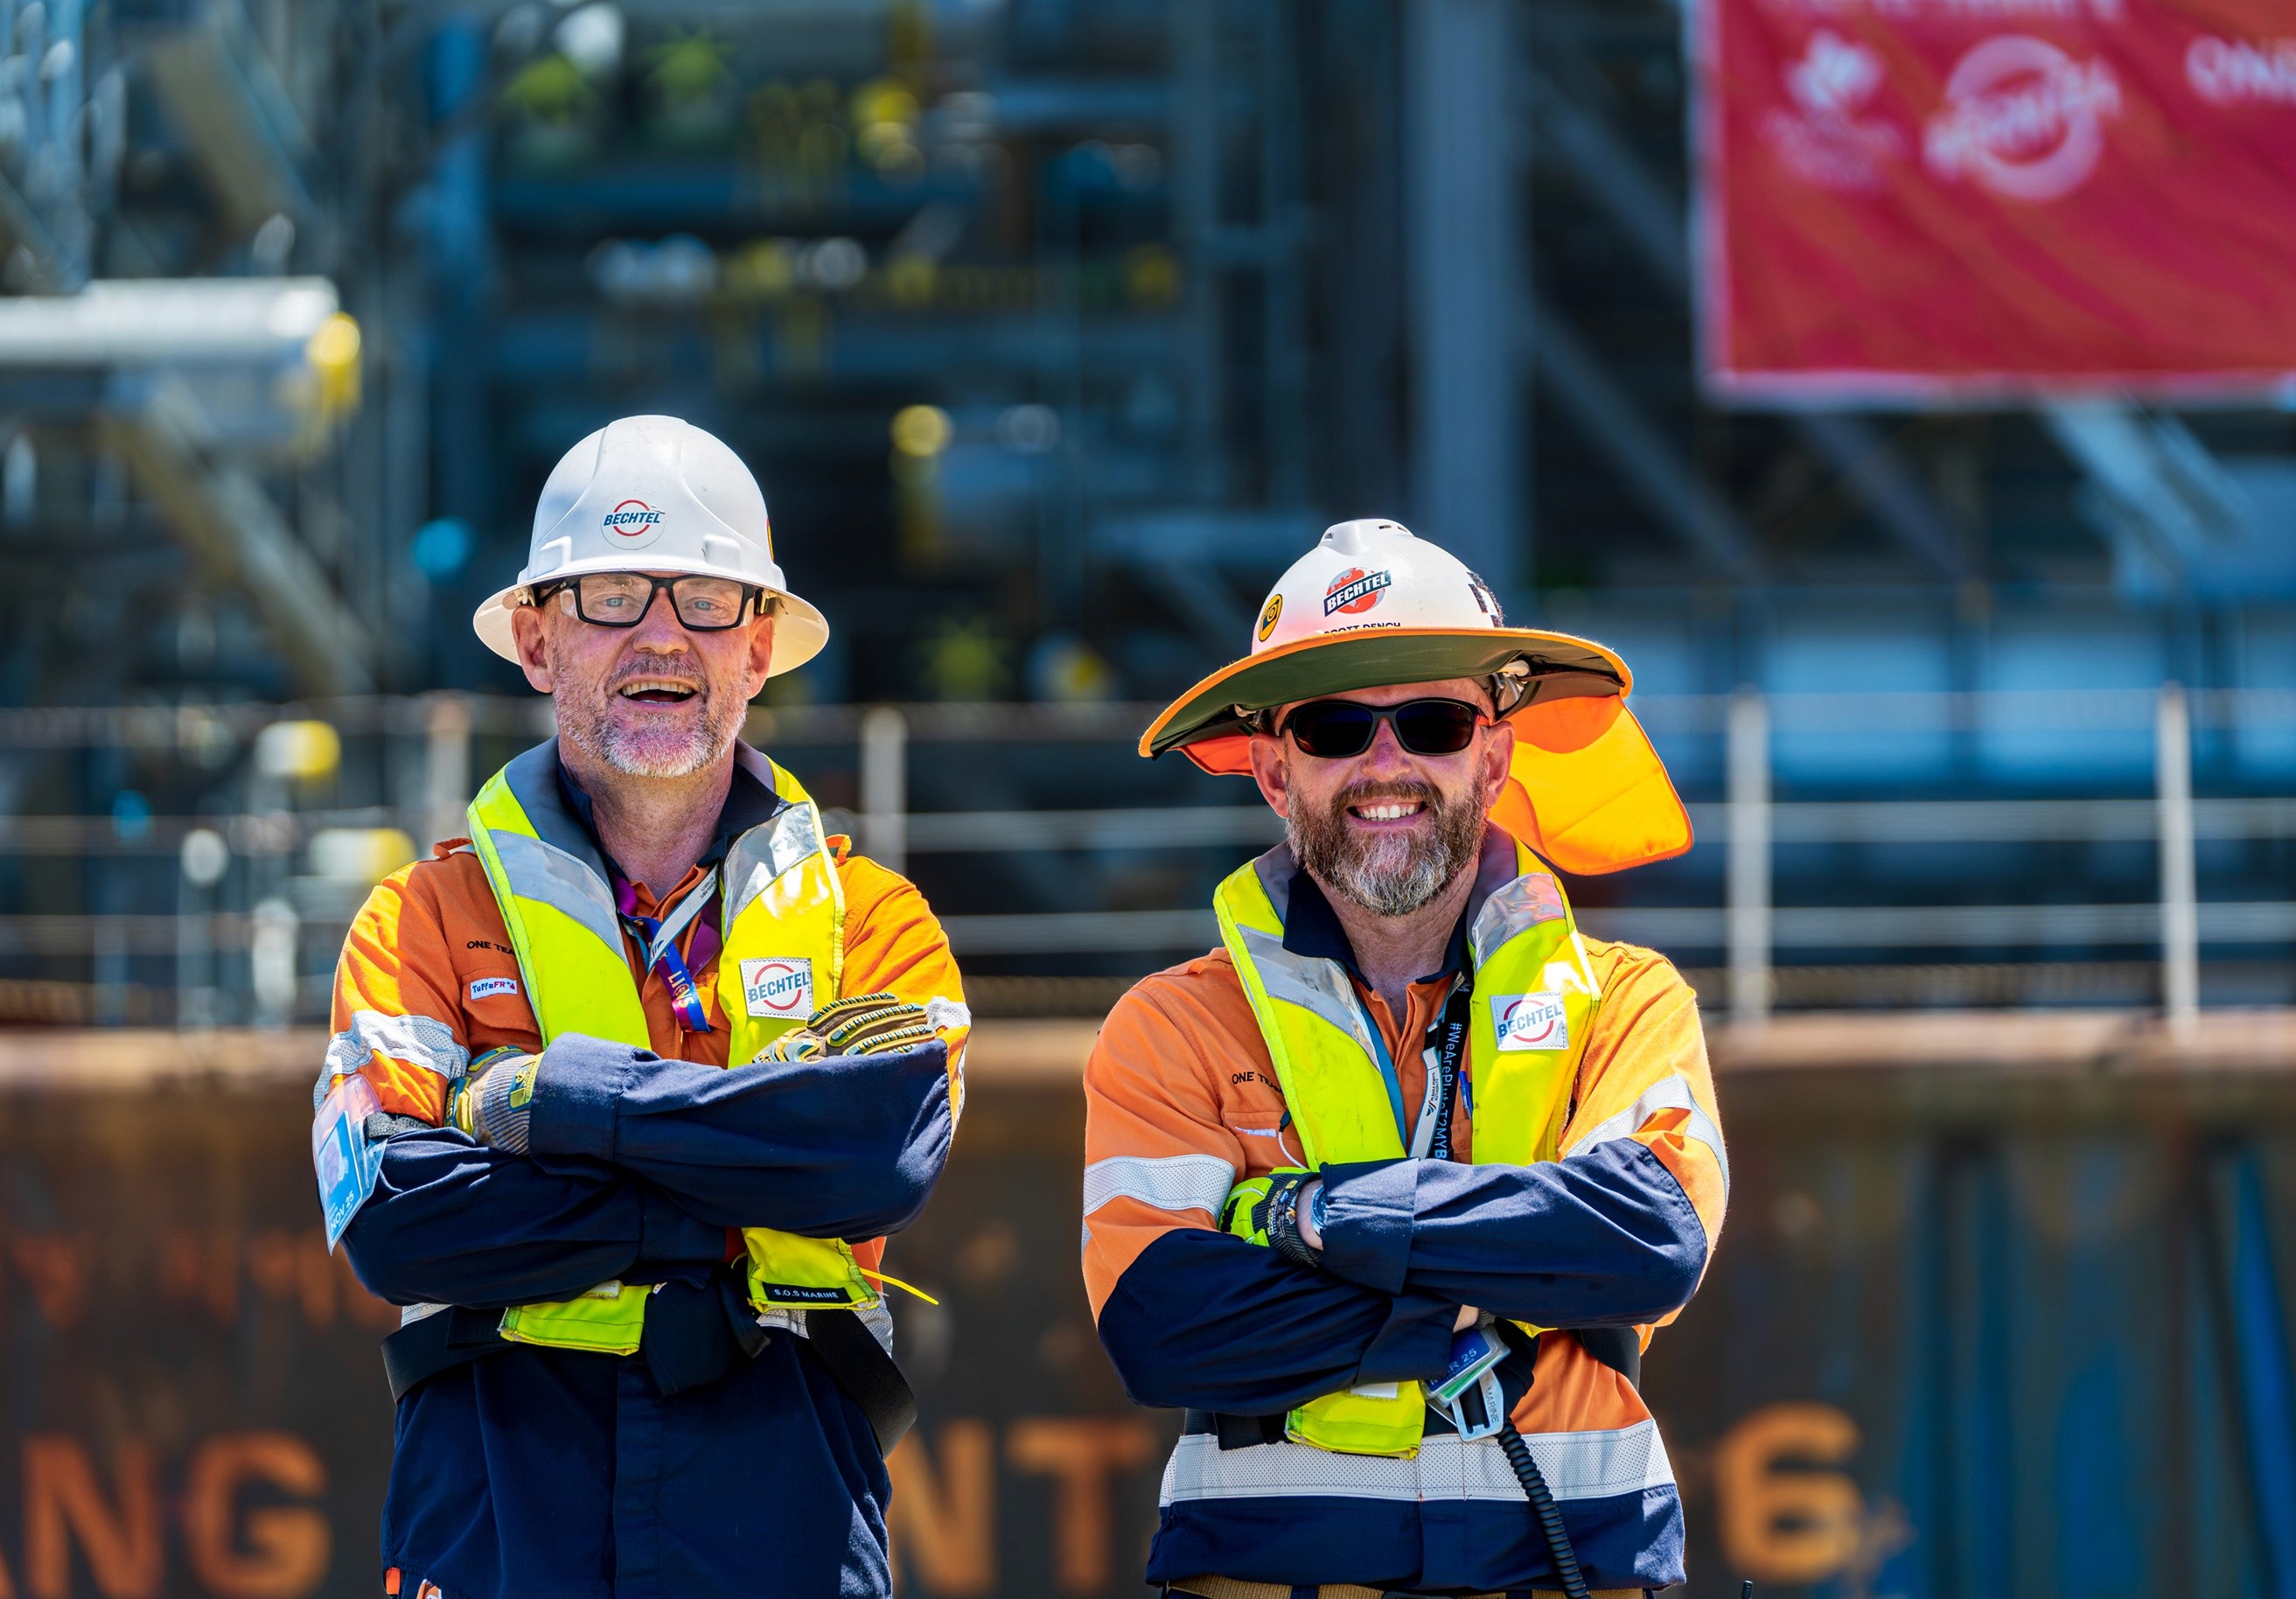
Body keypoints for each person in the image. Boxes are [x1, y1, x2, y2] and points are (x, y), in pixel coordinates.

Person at [312, 415, 966, 1598]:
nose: (662, 635)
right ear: (534, 639)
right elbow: (396, 1215)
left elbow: (873, 1163)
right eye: (611, 594)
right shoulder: (416, 921)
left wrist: (553, 1104)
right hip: (501, 1502)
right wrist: (733, 1190)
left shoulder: (874, 923)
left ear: (757, 649)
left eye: (708, 600)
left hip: (785, 1510)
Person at [1082, 519, 1727, 1598]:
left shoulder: (1626, 1000)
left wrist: (1311, 1219)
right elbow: (1165, 1329)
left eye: (1430, 721)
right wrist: (1514, 1265)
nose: (1387, 765)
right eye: (1336, 728)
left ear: (1494, 753)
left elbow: (1650, 1243)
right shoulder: (1169, 1027)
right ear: (1274, 772)